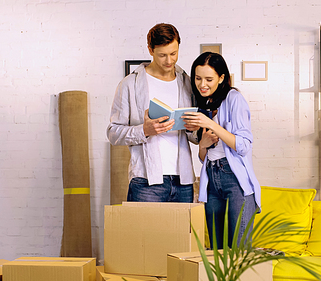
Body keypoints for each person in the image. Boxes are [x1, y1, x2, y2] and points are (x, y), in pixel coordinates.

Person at [107, 23, 198, 203]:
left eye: (174, 53)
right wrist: (144, 130)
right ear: (150, 50)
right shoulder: (129, 84)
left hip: (183, 180)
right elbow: (113, 133)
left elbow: (195, 136)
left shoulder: (187, 83)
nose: (169, 61)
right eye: (162, 55)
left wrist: (193, 128)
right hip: (145, 181)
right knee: (143, 232)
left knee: (181, 233)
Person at [183, 52, 261, 248]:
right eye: (198, 78)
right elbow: (204, 157)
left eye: (209, 79)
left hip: (234, 180)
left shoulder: (234, 99)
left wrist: (211, 124)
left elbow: (243, 146)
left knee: (239, 249)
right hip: (211, 178)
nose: (202, 84)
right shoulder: (205, 104)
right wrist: (203, 144)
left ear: (221, 78)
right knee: (217, 250)